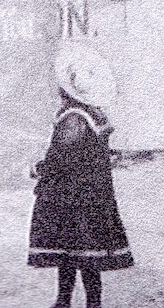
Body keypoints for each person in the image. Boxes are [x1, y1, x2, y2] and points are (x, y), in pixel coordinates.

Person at [29, 41, 133, 308]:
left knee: (76, 253)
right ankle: (71, 301)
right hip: (91, 196)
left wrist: (39, 169)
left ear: (68, 89)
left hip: (73, 199)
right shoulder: (92, 115)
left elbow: (64, 156)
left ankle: (78, 302)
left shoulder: (74, 118)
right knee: (81, 254)